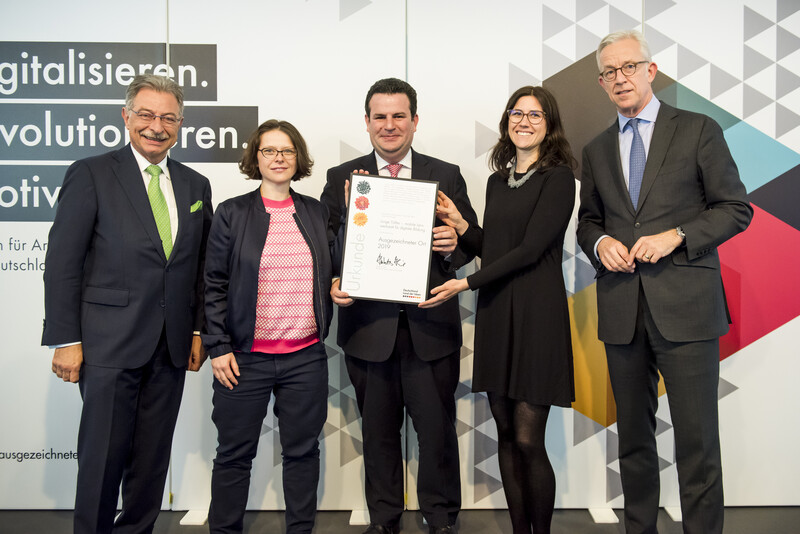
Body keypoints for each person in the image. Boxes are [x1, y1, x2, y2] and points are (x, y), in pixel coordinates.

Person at [577, 30, 753, 534]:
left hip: (687, 309)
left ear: (650, 71)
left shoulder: (697, 129)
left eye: (629, 67)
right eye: (609, 72)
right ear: (601, 83)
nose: (620, 78)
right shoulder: (596, 149)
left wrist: (677, 235)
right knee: (633, 442)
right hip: (622, 312)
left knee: (697, 443)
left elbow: (735, 209)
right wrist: (599, 243)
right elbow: (588, 221)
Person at [41, 74, 213, 534]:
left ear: (180, 124)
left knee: (152, 463)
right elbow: (63, 263)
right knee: (102, 459)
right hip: (107, 346)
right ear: (126, 116)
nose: (156, 126)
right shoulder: (91, 173)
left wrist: (199, 331)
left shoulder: (195, 185)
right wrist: (66, 339)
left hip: (171, 347)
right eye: (146, 115)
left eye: (168, 118)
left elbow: (200, 267)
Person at [320, 77, 478, 534]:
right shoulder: (342, 177)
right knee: (378, 434)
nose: (389, 125)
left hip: (431, 328)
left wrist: (453, 245)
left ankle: (442, 520)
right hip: (369, 330)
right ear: (367, 122)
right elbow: (327, 247)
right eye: (380, 117)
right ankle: (384, 520)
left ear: (414, 120)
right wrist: (334, 278)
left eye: (398, 116)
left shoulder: (445, 173)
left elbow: (469, 244)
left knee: (437, 433)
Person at [420, 86, 576, 534]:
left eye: (535, 115)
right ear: (507, 121)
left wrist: (465, 282)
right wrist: (462, 225)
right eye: (516, 113)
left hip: (537, 314)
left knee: (528, 439)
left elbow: (530, 250)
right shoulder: (497, 181)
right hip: (497, 312)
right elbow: (495, 248)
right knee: (505, 435)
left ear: (549, 124)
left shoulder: (558, 178)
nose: (524, 121)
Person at [203, 120, 335, 534]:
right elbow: (213, 284)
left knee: (302, 453)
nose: (279, 158)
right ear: (255, 158)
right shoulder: (232, 213)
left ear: (299, 158)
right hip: (243, 359)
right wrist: (218, 346)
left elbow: (334, 268)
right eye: (269, 151)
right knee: (234, 455)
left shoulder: (315, 211)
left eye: (287, 151)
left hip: (305, 357)